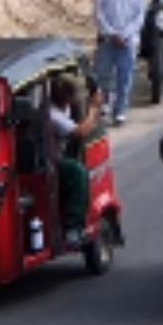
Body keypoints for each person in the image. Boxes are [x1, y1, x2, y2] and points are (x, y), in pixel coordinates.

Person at [49, 76, 104, 246]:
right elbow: (81, 132)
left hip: (61, 151)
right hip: (50, 159)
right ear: (65, 95)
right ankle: (74, 227)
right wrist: (94, 110)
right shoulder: (53, 114)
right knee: (77, 172)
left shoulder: (65, 107)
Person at [93, 0, 147, 125]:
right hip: (108, 40)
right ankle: (104, 105)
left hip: (128, 42)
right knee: (103, 75)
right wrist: (111, 33)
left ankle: (120, 111)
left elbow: (139, 17)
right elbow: (99, 15)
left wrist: (125, 35)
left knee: (125, 78)